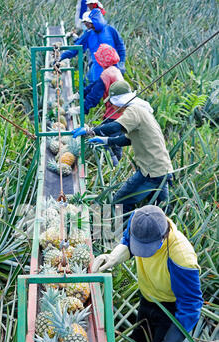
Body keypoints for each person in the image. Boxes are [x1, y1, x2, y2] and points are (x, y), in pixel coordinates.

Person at [92, 204, 204, 342]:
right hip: (147, 298)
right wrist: (113, 257)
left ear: (163, 236)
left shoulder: (181, 256)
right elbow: (127, 240)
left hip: (170, 309)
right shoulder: (139, 219)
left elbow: (191, 304)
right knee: (138, 341)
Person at [72, 80, 174, 214]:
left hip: (150, 171)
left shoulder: (133, 110)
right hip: (162, 169)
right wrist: (106, 140)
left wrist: (91, 130)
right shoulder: (141, 110)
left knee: (120, 201)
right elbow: (128, 139)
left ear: (116, 101)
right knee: (163, 209)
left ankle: (122, 232)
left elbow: (116, 126)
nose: (112, 106)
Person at [68, 43, 124, 165]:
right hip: (123, 114)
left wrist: (81, 108)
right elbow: (94, 86)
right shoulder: (114, 70)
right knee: (116, 139)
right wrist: (80, 94)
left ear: (100, 60)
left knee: (106, 140)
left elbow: (94, 97)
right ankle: (117, 164)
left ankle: (114, 166)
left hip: (113, 115)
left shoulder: (106, 74)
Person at [59, 9, 126, 84]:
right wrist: (61, 57)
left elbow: (121, 47)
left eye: (91, 23)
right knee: (94, 88)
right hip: (97, 69)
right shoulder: (88, 34)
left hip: (114, 68)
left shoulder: (111, 30)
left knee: (114, 89)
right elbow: (76, 49)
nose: (89, 26)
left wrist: (122, 63)